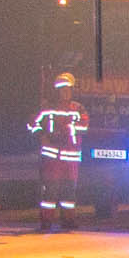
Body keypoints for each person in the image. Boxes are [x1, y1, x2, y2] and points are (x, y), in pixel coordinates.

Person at [29, 72, 89, 230]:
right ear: (57, 91)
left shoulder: (78, 108)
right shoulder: (47, 107)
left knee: (69, 193)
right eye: (62, 89)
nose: (65, 92)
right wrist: (42, 135)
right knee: (50, 192)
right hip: (52, 158)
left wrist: (68, 129)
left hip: (71, 159)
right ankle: (46, 222)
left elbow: (85, 126)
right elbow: (32, 124)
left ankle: (68, 222)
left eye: (68, 89)